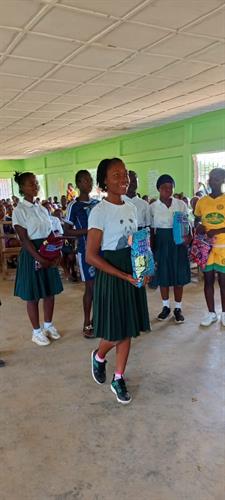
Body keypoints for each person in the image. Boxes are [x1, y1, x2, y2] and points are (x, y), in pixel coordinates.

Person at [86, 158, 150, 404]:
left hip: (133, 269)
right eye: (116, 175)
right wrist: (123, 275)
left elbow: (138, 242)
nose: (123, 178)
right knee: (116, 329)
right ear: (104, 181)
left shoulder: (132, 207)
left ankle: (118, 377)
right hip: (113, 274)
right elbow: (91, 256)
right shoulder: (99, 212)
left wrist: (144, 268)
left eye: (124, 173)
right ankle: (99, 356)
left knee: (128, 329)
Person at [12, 172, 63, 346]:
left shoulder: (42, 208)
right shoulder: (19, 211)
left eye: (36, 183)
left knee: (49, 292)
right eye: (30, 184)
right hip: (32, 253)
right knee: (33, 295)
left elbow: (51, 232)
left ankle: (48, 325)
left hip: (47, 251)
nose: (35, 186)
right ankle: (36, 331)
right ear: (22, 188)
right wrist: (40, 258)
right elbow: (24, 240)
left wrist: (56, 251)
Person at [150, 174, 191, 323]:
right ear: (158, 189)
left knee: (178, 276)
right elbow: (152, 230)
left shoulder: (181, 205)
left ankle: (178, 308)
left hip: (178, 244)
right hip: (161, 243)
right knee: (164, 276)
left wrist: (189, 237)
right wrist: (152, 251)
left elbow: (187, 226)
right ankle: (166, 307)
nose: (167, 190)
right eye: (164, 188)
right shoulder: (153, 207)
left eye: (170, 187)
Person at [64, 170, 98, 338]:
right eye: (85, 180)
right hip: (85, 250)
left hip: (101, 250)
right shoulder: (73, 206)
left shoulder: (98, 203)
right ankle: (87, 322)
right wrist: (88, 231)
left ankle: (98, 319)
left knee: (101, 286)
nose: (88, 183)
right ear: (78, 184)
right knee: (90, 287)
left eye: (90, 179)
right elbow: (67, 230)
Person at [194, 168, 225, 327]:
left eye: (218, 179)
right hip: (206, 248)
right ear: (209, 180)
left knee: (223, 282)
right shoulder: (202, 201)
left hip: (223, 247)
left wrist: (217, 231)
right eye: (212, 178)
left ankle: (224, 313)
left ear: (223, 181)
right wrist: (198, 226)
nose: (215, 181)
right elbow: (196, 220)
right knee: (208, 281)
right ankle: (211, 313)